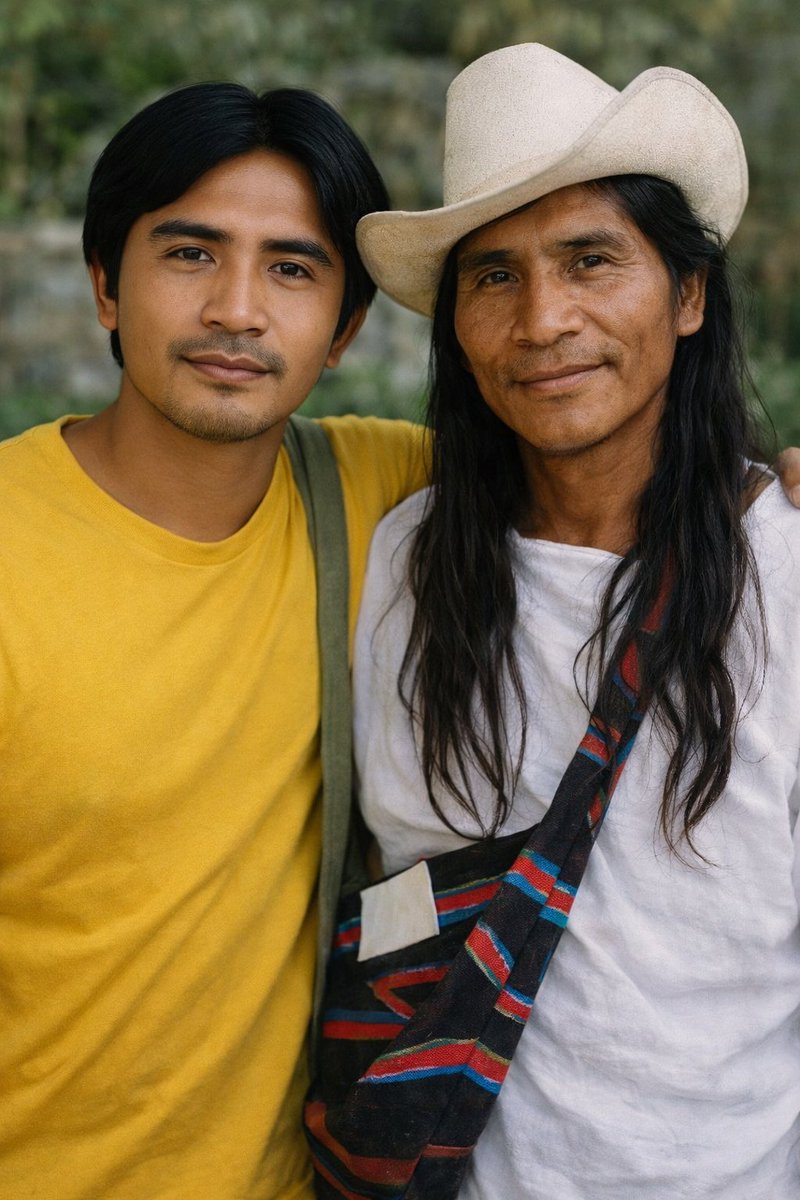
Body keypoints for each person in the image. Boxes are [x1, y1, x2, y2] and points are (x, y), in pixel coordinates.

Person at [352, 43, 800, 1197]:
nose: (543, 319)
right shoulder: (405, 562)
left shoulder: (782, 575)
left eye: (590, 259)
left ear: (688, 293)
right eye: (492, 276)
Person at [0, 83, 428, 1200]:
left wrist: (764, 485)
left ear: (343, 331)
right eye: (189, 253)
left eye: (291, 268)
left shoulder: (384, 491)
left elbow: (606, 468)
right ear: (105, 283)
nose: (238, 309)